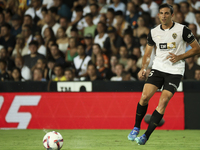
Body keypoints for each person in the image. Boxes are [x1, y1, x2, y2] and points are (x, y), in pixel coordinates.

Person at [127, 3, 200, 145]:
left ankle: (145, 136)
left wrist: (180, 57)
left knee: (163, 102)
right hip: (158, 68)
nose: (164, 16)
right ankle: (136, 127)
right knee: (144, 97)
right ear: (158, 15)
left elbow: (197, 48)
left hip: (175, 71)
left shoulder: (182, 30)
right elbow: (147, 53)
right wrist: (143, 67)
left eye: (167, 13)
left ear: (172, 15)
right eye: (161, 13)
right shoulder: (154, 32)